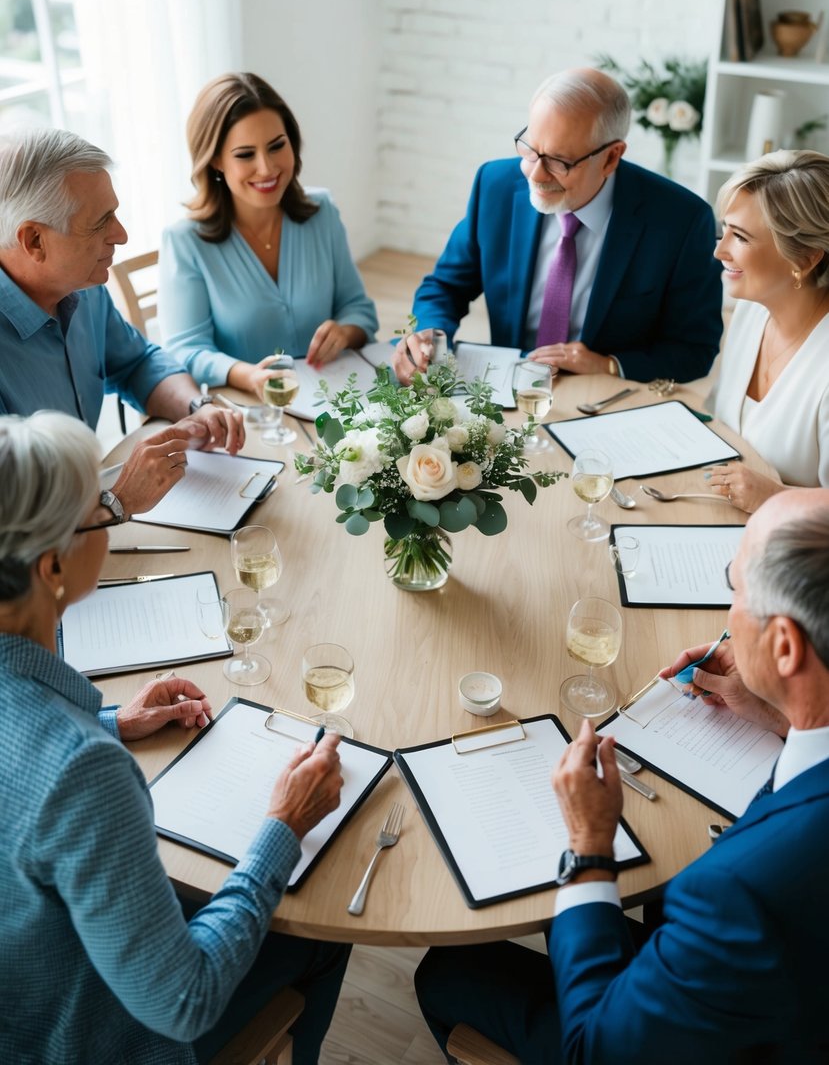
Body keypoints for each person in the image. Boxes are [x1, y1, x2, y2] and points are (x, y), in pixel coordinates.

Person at [415, 486, 829, 1064]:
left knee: (447, 973)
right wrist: (785, 709)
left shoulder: (740, 894)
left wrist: (589, 848)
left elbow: (596, 1051)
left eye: (734, 589)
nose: (727, 616)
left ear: (785, 644)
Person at [0, 410, 350, 1065]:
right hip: (83, 1041)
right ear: (52, 567)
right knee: (322, 939)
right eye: (102, 511)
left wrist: (111, 722)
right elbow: (183, 999)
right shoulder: (80, 773)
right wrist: (283, 826)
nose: (114, 516)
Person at [392, 67, 722, 386]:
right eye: (531, 150)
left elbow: (695, 349)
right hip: (505, 390)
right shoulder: (495, 186)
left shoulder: (682, 222)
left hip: (603, 395)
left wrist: (607, 364)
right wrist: (427, 336)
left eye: (559, 161)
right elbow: (446, 286)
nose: (535, 175)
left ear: (611, 158)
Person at [0, 128, 245, 522]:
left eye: (114, 213)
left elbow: (136, 363)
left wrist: (195, 406)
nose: (123, 235)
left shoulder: (84, 288)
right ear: (34, 241)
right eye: (100, 223)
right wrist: (116, 503)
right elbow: (13, 526)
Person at [159, 71, 379, 397]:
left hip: (340, 401)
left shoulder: (322, 212)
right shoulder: (185, 242)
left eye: (277, 146)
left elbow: (359, 308)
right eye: (245, 154)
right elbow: (184, 350)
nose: (267, 168)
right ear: (216, 160)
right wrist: (245, 375)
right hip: (249, 414)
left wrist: (345, 332)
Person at [703, 150, 829, 513]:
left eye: (740, 237)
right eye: (723, 230)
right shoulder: (751, 311)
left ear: (804, 258)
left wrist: (775, 498)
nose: (720, 251)